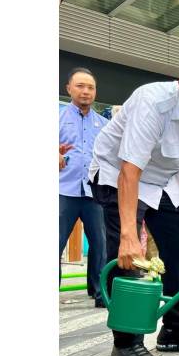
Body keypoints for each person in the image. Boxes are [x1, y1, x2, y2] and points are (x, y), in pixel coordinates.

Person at [88, 54, 179, 356]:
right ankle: (126, 342)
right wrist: (129, 235)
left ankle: (176, 327)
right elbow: (129, 171)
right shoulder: (152, 103)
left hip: (163, 179)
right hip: (118, 173)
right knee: (128, 258)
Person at [59, 67, 108, 308]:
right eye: (80, 86)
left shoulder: (104, 124)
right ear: (68, 88)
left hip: (93, 193)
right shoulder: (57, 118)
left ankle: (99, 293)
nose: (86, 91)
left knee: (100, 244)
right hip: (63, 191)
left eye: (90, 87)